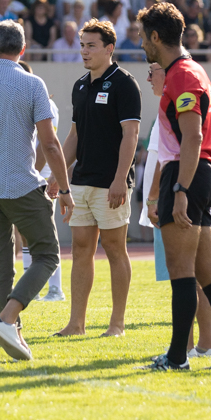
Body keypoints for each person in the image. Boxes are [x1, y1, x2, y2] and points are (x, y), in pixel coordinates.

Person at [139, 2, 211, 370]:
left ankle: (176, 358)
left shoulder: (183, 75)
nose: (142, 44)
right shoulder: (186, 72)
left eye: (143, 37)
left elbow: (192, 137)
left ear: (156, 37)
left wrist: (181, 191)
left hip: (187, 174)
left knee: (181, 271)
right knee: (207, 271)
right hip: (196, 173)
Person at [0, 21, 74, 360]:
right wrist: (64, 188)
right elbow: (50, 144)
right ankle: (7, 320)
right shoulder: (32, 83)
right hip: (20, 184)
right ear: (22, 50)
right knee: (48, 253)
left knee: (1, 264)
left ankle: (14, 333)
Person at [53, 19, 140, 338]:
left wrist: (120, 180)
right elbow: (74, 136)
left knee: (116, 249)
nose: (85, 51)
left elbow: (131, 135)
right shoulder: (79, 85)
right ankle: (76, 324)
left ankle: (117, 325)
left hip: (111, 184)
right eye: (82, 45)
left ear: (109, 49)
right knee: (80, 250)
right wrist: (57, 173)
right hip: (81, 183)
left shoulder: (125, 83)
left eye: (91, 45)